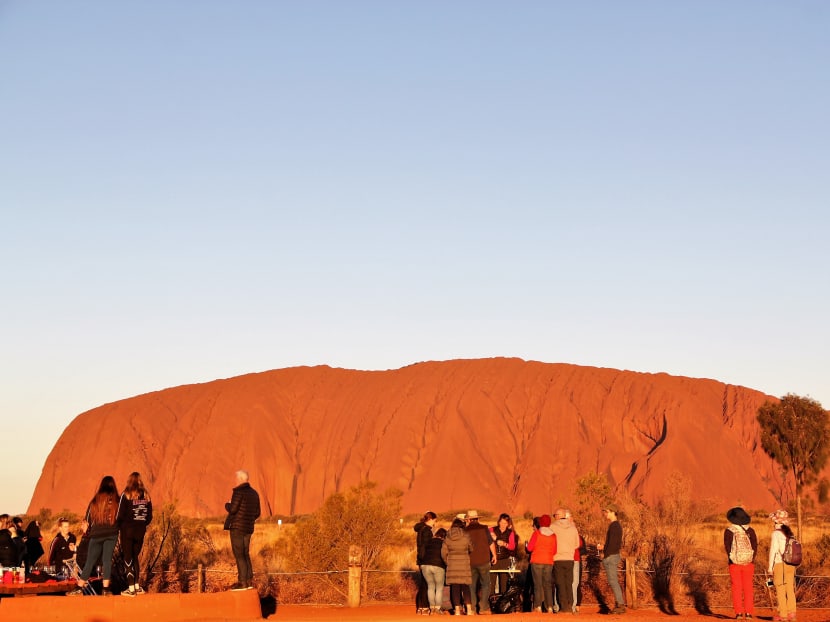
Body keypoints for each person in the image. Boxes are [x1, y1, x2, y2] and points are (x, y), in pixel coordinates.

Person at [69, 475, 120, 596]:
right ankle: (106, 589)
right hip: (112, 533)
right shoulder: (117, 500)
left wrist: (87, 533)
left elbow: (87, 520)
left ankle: (79, 588)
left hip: (96, 534)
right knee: (107, 561)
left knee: (90, 561)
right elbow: (120, 517)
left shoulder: (95, 500)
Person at [117, 472, 153, 596]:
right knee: (135, 557)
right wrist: (142, 525)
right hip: (140, 532)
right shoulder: (146, 496)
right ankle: (137, 587)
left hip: (127, 532)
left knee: (127, 558)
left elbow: (119, 515)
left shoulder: (125, 495)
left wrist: (119, 527)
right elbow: (149, 516)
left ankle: (131, 589)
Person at [224, 469, 261, 591]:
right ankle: (249, 581)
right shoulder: (255, 493)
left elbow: (233, 509)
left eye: (236, 478)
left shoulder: (238, 492)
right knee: (245, 554)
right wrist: (248, 519)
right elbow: (257, 513)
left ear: (240, 479)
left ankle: (242, 582)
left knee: (239, 555)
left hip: (237, 528)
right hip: (248, 528)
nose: (235, 480)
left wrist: (227, 504)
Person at [724, 506, 757, 620]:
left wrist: (732, 558)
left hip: (734, 564)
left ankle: (738, 613)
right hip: (749, 563)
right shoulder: (750, 530)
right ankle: (748, 613)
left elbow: (727, 547)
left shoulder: (729, 531)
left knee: (736, 588)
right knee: (748, 587)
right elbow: (755, 546)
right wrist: (750, 559)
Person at [465, 509, 496, 615]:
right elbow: (491, 543)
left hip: (470, 562)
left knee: (471, 586)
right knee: (486, 584)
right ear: (477, 518)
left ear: (468, 519)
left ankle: (472, 608)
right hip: (484, 560)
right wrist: (494, 555)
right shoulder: (484, 528)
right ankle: (483, 608)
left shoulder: (465, 530)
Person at [767, 509, 796, 622]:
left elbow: (773, 551)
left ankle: (783, 615)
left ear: (777, 523)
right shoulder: (790, 533)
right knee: (789, 588)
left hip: (780, 564)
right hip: (791, 565)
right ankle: (791, 614)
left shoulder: (776, 534)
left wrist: (770, 568)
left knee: (780, 589)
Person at [442, 516, 473, 616]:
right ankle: (468, 610)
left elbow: (443, 552)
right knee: (465, 587)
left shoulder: (447, 536)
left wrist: (447, 561)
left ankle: (457, 611)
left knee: (455, 588)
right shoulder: (466, 535)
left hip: (452, 564)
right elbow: (471, 548)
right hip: (464, 564)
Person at [526, 513, 556, 613]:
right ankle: (550, 607)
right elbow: (555, 550)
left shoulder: (537, 533)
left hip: (537, 561)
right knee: (547, 585)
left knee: (537, 584)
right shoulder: (553, 535)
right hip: (548, 562)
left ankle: (538, 606)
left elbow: (530, 548)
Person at [551, 508, 579, 614]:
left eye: (555, 515)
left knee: (560, 583)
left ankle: (564, 607)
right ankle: (570, 605)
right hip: (570, 559)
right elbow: (577, 544)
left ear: (558, 515)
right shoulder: (573, 528)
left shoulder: (553, 527)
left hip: (558, 558)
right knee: (569, 582)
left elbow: (549, 540)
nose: (554, 517)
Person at [600, 503, 626, 614]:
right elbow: (612, 543)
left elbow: (613, 544)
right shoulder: (615, 526)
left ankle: (620, 605)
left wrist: (605, 554)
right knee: (613, 581)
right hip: (612, 556)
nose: (605, 514)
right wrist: (604, 548)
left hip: (611, 557)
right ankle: (619, 604)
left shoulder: (615, 526)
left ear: (612, 512)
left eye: (606, 512)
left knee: (613, 581)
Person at [414, 511, 437, 615]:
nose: (435, 523)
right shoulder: (427, 530)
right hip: (426, 560)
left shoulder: (420, 529)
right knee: (427, 584)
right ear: (430, 519)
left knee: (424, 583)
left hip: (421, 559)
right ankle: (424, 607)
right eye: (434, 520)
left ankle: (420, 607)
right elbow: (427, 546)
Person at [490, 513, 519, 595]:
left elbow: (512, 546)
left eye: (505, 523)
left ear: (508, 524)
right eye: (502, 522)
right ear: (498, 522)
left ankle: (503, 603)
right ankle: (491, 602)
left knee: (503, 583)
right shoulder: (492, 529)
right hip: (493, 559)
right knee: (491, 583)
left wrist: (504, 544)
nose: (503, 525)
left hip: (505, 560)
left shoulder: (510, 533)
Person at [421, 527, 447, 615]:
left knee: (430, 586)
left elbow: (423, 553)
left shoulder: (428, 541)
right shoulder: (444, 543)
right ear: (444, 536)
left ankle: (432, 608)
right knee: (439, 588)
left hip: (425, 565)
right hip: (438, 566)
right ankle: (437, 608)